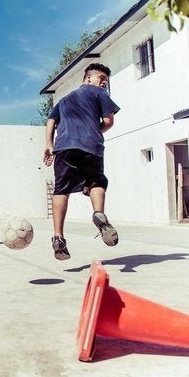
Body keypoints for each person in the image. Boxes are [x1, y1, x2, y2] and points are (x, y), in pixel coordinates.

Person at [43, 63, 120, 261]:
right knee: (97, 181)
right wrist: (95, 130)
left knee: (61, 190)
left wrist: (49, 144)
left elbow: (51, 120)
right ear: (88, 78)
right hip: (90, 146)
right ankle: (98, 213)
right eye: (101, 78)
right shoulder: (99, 93)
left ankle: (58, 236)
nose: (104, 83)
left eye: (106, 81)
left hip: (64, 147)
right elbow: (109, 121)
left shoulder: (64, 99)